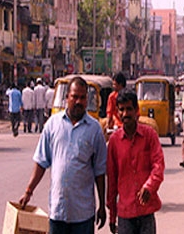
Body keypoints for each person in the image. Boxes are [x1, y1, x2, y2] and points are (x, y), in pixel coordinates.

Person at [19, 76, 107, 233]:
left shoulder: (94, 130)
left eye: (82, 97)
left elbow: (99, 172)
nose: (78, 101)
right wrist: (28, 191)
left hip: (83, 214)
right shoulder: (53, 124)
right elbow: (41, 162)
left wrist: (102, 205)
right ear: (67, 98)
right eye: (75, 97)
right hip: (58, 211)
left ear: (87, 99)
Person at [107, 91, 164, 234]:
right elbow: (112, 180)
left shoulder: (149, 135)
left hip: (146, 210)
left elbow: (158, 165)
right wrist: (112, 216)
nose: (125, 113)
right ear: (117, 112)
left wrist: (149, 186)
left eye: (129, 109)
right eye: (121, 109)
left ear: (136, 110)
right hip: (125, 214)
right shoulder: (114, 141)